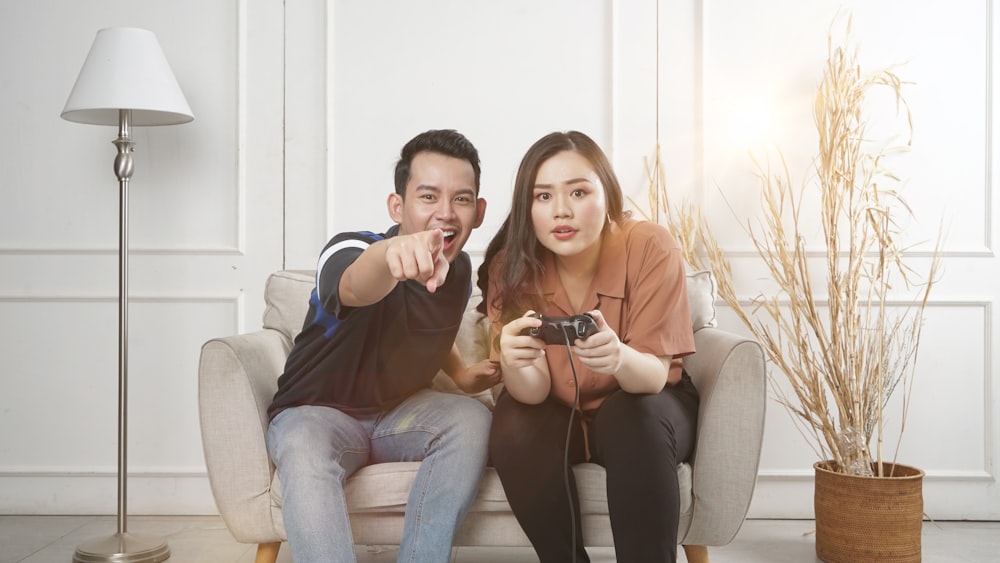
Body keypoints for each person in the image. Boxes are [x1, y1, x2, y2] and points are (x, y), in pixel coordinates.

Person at [266, 129, 501, 563]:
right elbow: (355, 285)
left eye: (461, 200)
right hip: (316, 412)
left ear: (479, 210)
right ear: (398, 206)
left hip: (397, 414)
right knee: (300, 442)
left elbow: (428, 329)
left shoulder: (461, 268)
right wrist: (391, 255)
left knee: (472, 419)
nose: (445, 214)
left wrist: (463, 373)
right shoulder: (351, 248)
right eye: (428, 197)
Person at [477, 130, 700, 563]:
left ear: (608, 193)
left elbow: (653, 376)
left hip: (646, 403)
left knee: (629, 415)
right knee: (515, 418)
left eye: (578, 191)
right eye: (543, 197)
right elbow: (533, 392)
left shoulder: (650, 245)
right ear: (528, 207)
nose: (561, 211)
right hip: (556, 408)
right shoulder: (511, 265)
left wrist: (618, 356)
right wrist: (516, 362)